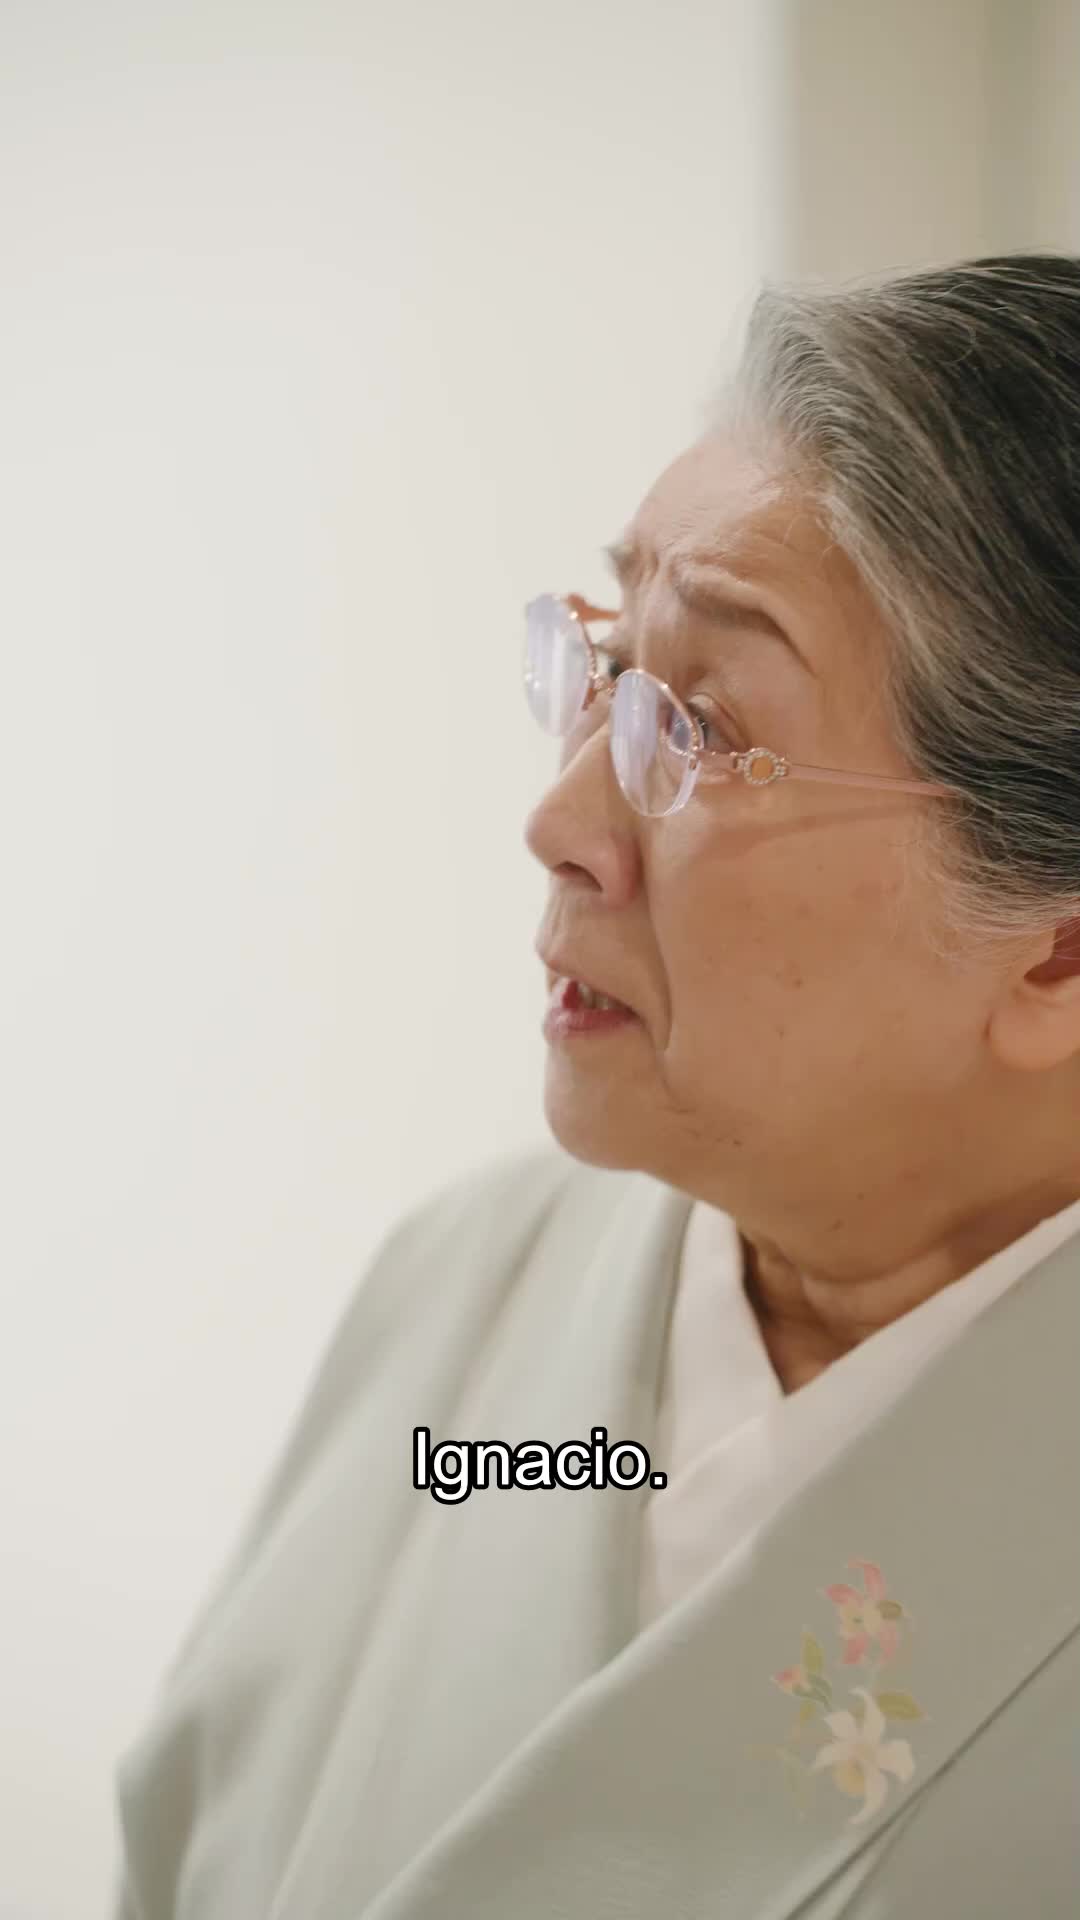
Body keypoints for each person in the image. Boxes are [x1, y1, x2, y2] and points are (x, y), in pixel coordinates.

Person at [108, 254, 1080, 1919]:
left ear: (1054, 955)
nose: (560, 820)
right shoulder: (462, 1291)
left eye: (700, 728)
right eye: (605, 665)